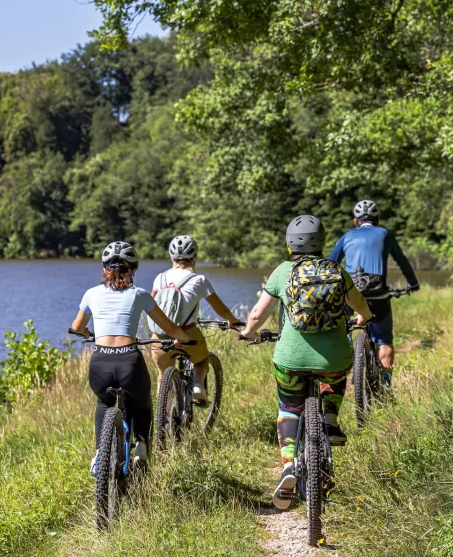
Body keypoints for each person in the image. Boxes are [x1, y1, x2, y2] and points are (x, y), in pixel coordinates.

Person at [240, 215, 372, 510]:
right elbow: (360, 305)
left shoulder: (282, 272)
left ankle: (288, 465)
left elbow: (257, 315)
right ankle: (330, 419)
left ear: (290, 244)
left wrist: (247, 334)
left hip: (290, 359)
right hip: (334, 358)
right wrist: (363, 318)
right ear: (322, 241)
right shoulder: (337, 271)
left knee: (289, 408)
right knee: (336, 376)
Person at [69, 241, 192, 474]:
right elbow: (169, 327)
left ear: (104, 268)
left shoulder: (91, 293)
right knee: (142, 403)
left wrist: (85, 333)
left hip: (100, 363)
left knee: (104, 403)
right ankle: (141, 448)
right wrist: (183, 338)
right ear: (133, 269)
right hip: (129, 362)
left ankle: (99, 455)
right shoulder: (140, 295)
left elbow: (77, 327)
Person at [329, 200, 420, 390]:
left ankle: (340, 367)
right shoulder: (384, 234)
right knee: (385, 342)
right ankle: (386, 387)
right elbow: (402, 260)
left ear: (356, 221)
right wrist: (413, 283)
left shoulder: (347, 236)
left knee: (342, 330)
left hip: (350, 297)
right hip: (378, 297)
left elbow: (331, 264)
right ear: (377, 219)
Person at [149, 235, 241, 403]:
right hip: (188, 335)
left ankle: (165, 415)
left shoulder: (159, 278)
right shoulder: (199, 280)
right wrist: (233, 320)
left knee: (163, 375)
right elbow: (220, 308)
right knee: (202, 360)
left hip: (160, 338)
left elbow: (150, 306)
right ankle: (198, 386)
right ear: (195, 257)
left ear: (171, 257)